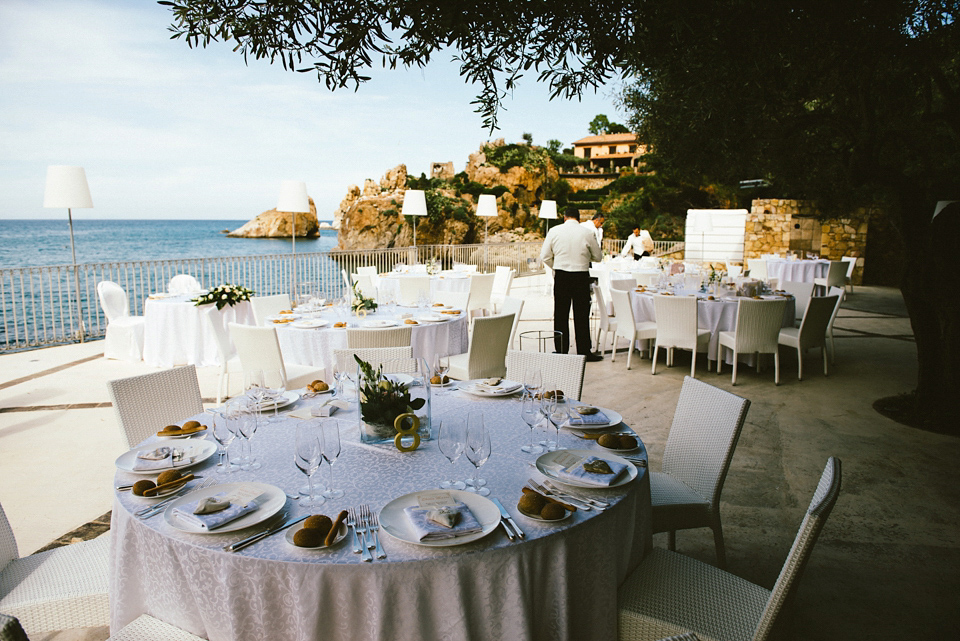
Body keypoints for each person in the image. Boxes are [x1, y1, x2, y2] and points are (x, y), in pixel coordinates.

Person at [541, 206, 603, 361]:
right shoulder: (587, 233)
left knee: (560, 314)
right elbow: (598, 256)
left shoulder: (554, 231)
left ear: (564, 217)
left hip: (562, 276)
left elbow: (545, 256)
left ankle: (561, 351)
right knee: (581, 315)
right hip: (581, 276)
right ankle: (584, 351)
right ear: (579, 218)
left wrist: (556, 267)